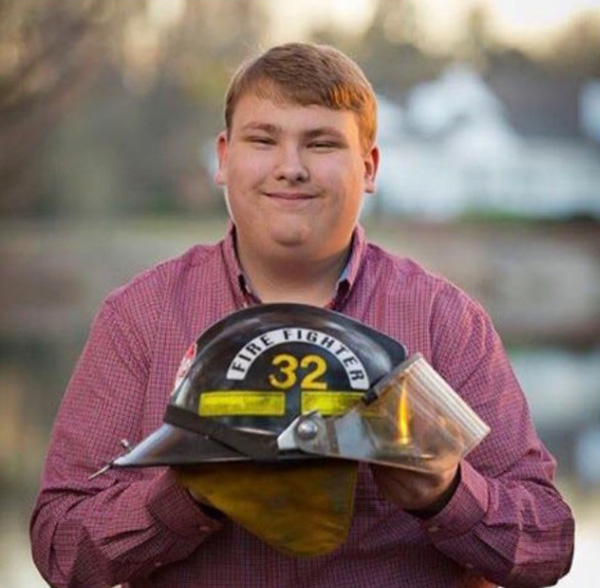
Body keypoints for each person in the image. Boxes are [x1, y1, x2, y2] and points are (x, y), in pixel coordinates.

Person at [30, 42, 574, 588]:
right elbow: (60, 550)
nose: (290, 168)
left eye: (321, 143)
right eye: (263, 139)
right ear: (223, 158)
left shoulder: (444, 320)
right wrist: (187, 490)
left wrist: (447, 493)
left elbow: (548, 545)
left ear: (370, 166)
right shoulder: (141, 317)